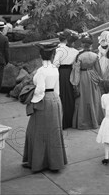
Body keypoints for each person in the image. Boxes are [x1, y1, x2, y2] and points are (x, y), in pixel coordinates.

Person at [22, 42, 67, 172]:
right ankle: (54, 162)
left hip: (43, 101)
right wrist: (55, 99)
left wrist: (32, 98)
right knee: (54, 131)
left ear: (40, 55)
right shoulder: (54, 68)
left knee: (36, 131)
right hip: (55, 99)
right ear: (53, 55)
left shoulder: (41, 71)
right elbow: (57, 89)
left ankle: (37, 162)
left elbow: (40, 89)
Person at [70, 34, 104, 129]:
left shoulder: (79, 56)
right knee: (94, 98)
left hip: (83, 76)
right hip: (92, 75)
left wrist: (75, 84)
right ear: (90, 45)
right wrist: (100, 80)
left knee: (83, 99)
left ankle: (84, 121)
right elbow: (99, 70)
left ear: (82, 45)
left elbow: (76, 71)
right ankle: (96, 119)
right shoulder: (95, 55)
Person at [53, 31, 79, 129]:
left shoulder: (60, 50)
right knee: (70, 96)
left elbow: (55, 63)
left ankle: (61, 121)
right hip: (70, 72)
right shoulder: (76, 52)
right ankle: (70, 121)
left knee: (62, 95)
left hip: (61, 73)